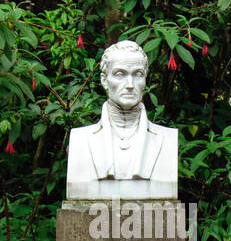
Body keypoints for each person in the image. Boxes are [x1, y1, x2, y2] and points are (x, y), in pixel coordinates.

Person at [65, 40, 178, 200]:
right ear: (104, 80)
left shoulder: (167, 139)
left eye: (138, 74)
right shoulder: (80, 140)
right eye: (120, 74)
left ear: (145, 80)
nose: (130, 84)